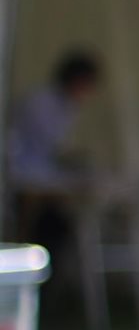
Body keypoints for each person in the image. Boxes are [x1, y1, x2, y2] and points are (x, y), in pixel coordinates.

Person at [6, 50, 101, 263]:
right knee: (40, 225)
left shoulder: (66, 106)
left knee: (58, 225)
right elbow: (46, 146)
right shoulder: (42, 102)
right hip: (23, 176)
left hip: (39, 176)